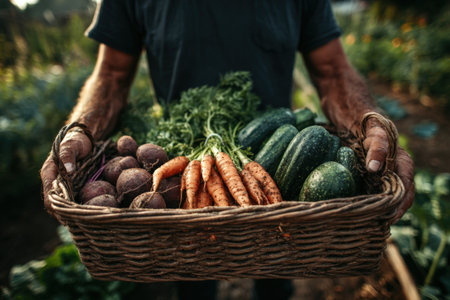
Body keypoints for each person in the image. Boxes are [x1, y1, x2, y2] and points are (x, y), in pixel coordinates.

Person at [40, 1, 414, 299]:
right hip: (183, 178)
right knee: (191, 279)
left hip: (278, 181)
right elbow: (112, 75)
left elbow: (332, 70)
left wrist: (371, 123)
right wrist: (80, 132)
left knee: (277, 275)